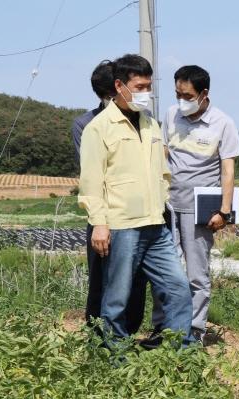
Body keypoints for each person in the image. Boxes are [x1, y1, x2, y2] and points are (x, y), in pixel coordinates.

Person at [78, 54, 193, 347]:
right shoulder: (98, 129)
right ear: (119, 85)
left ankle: (180, 351)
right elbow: (91, 183)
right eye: (139, 87)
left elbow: (162, 172)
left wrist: (162, 200)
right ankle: (112, 355)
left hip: (155, 224)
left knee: (178, 287)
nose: (146, 93)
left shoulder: (151, 125)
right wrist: (100, 224)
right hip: (121, 226)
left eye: (148, 86)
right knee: (116, 296)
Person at [161, 65, 239, 342]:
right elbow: (163, 156)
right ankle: (166, 327)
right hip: (169, 206)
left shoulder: (223, 123)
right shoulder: (171, 115)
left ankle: (194, 329)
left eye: (187, 95)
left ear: (204, 93)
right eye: (177, 93)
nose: (181, 100)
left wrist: (224, 211)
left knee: (197, 273)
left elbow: (227, 170)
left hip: (200, 211)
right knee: (166, 271)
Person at [71, 60, 146, 335]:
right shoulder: (87, 124)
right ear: (108, 93)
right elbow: (93, 172)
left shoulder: (142, 119)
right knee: (102, 278)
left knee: (136, 278)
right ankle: (98, 334)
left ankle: (127, 332)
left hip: (136, 215)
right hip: (104, 214)